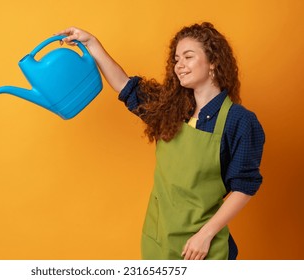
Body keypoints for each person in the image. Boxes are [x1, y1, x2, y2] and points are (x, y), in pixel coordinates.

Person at [56, 22, 265, 260]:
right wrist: (90, 42)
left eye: (188, 56)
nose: (179, 66)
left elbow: (244, 187)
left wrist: (205, 235)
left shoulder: (239, 121)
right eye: (176, 59)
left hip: (201, 246)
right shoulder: (171, 109)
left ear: (213, 62)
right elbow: (124, 86)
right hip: (159, 238)